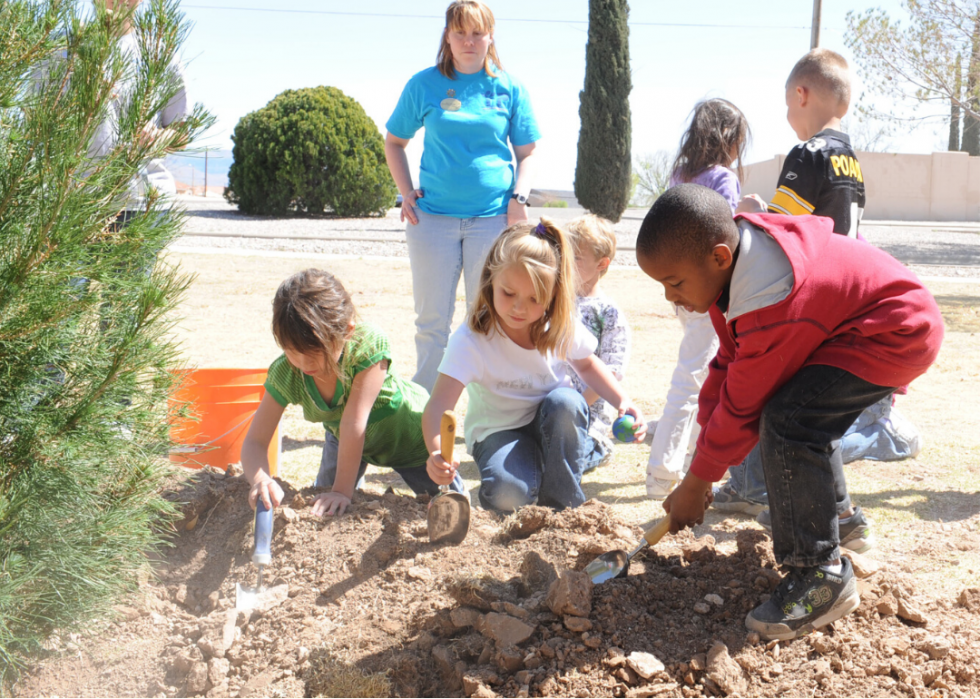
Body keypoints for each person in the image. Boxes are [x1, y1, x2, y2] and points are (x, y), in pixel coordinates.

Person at [637, 184, 943, 641]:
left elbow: (744, 406)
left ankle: (820, 576)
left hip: (894, 331)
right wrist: (701, 454)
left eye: (674, 283)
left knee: (789, 421)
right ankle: (839, 522)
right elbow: (727, 363)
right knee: (803, 418)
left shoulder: (769, 299)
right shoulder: (738, 269)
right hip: (866, 325)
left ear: (719, 257)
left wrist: (698, 481)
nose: (669, 298)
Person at [719, 48, 923, 534]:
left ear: (801, 93)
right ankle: (833, 512)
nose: (788, 116)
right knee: (809, 416)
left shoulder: (809, 153)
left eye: (788, 105)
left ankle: (824, 512)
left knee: (786, 409)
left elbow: (790, 225)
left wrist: (754, 209)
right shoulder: (850, 161)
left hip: (813, 297)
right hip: (846, 299)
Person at [423, 218, 646, 512]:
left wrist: (622, 401)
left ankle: (563, 508)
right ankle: (522, 483)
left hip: (552, 426)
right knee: (509, 494)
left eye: (535, 298)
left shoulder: (559, 326)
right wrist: (438, 450)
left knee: (567, 401)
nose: (519, 307)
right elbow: (438, 406)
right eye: (508, 293)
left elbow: (589, 366)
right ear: (491, 279)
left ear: (553, 295)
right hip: (497, 433)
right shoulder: (472, 339)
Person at [384, 0, 541, 392]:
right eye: (460, 32)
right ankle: (424, 415)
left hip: (491, 222)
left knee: (487, 319)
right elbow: (394, 142)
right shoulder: (423, 85)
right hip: (430, 222)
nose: (469, 41)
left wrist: (518, 199)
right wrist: (406, 194)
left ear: (491, 36)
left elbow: (527, 154)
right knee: (431, 323)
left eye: (477, 33)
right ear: (448, 37)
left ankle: (487, 415)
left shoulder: (509, 88)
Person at [244, 269, 465, 516]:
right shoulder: (286, 373)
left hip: (411, 438)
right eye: (292, 351)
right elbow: (255, 441)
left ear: (347, 330)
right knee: (323, 504)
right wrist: (260, 480)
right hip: (343, 438)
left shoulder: (367, 345)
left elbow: (355, 421)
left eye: (315, 352)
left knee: (451, 508)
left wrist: (341, 490)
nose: (304, 364)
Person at [646, 99, 750, 499]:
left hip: (682, 292)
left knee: (699, 374)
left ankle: (688, 459)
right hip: (707, 291)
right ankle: (662, 474)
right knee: (693, 380)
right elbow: (725, 229)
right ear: (728, 138)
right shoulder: (723, 178)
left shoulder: (679, 174)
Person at [565, 214, 632, 464]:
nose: (567, 263)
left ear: (602, 264)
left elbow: (611, 371)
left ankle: (598, 450)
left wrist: (575, 407)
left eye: (577, 258)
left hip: (587, 420)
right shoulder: (555, 302)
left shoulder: (608, 313)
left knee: (570, 459)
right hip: (549, 410)